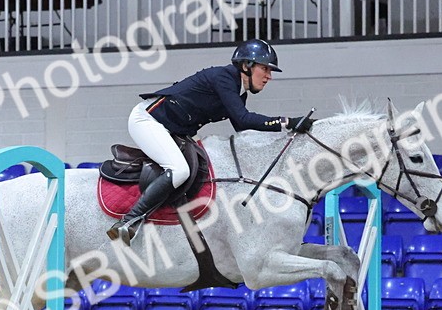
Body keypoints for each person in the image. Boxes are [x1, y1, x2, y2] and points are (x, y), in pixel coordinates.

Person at [107, 39, 314, 245]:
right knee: (179, 170)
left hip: (173, 129)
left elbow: (242, 127)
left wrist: (283, 135)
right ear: (246, 66)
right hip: (148, 120)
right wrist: (287, 122)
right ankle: (129, 221)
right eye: (265, 68)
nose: (269, 76)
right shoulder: (225, 78)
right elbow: (244, 119)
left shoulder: (237, 91)